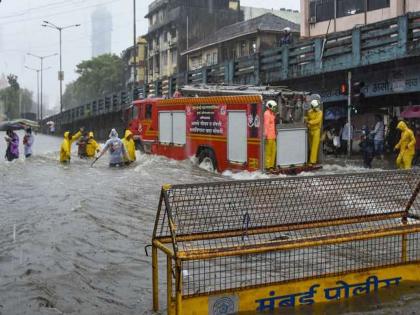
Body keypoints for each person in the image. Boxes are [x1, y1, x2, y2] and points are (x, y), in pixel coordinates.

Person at [305, 99, 323, 165]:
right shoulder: (309, 112)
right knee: (310, 146)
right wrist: (305, 119)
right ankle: (310, 160)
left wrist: (309, 122)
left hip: (316, 131)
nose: (317, 108)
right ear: (312, 107)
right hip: (310, 130)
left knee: (314, 147)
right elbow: (308, 118)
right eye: (315, 107)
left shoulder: (320, 112)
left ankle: (312, 161)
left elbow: (317, 120)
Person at [264, 100, 277, 170]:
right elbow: (266, 125)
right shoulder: (267, 114)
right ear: (270, 106)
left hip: (273, 136)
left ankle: (271, 166)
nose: (275, 108)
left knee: (273, 151)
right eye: (274, 107)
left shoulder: (272, 113)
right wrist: (265, 135)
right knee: (268, 152)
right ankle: (268, 166)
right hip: (269, 136)